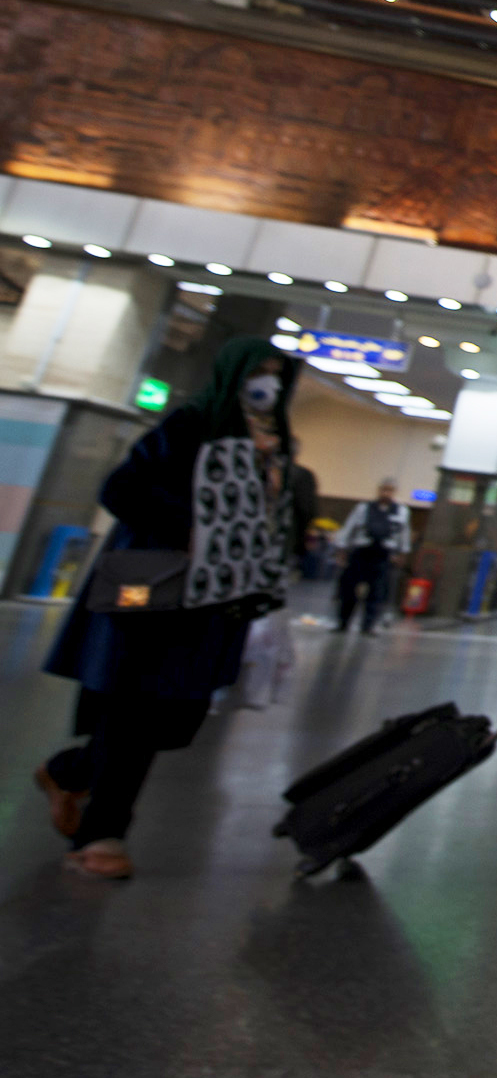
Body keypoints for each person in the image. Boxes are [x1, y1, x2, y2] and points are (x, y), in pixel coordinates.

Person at [32, 338, 300, 880]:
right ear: (235, 373)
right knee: (134, 709)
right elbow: (121, 489)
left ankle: (69, 771)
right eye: (259, 371)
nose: (268, 382)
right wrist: (190, 526)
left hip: (217, 601)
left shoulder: (276, 445)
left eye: (277, 374)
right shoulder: (191, 426)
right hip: (156, 593)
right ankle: (101, 836)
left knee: (178, 718)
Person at [333, 478, 410, 633]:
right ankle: (343, 622)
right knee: (349, 590)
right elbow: (349, 527)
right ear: (378, 490)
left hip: (383, 555)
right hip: (361, 552)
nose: (386, 493)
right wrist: (342, 549)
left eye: (390, 490)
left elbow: (404, 534)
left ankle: (368, 625)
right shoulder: (363, 508)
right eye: (384, 489)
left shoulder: (401, 511)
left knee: (377, 592)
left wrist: (402, 553)